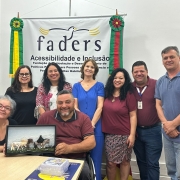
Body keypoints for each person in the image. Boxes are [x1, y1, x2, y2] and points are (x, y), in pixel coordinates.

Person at [37, 90, 96, 180]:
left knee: (84, 174)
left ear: (74, 102)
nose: (64, 106)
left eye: (67, 102)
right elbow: (34, 137)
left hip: (76, 159)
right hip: (49, 158)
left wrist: (69, 148)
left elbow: (91, 143)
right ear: (56, 103)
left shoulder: (84, 118)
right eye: (60, 103)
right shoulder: (45, 117)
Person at [102, 68, 137, 180]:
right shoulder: (107, 92)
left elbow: (133, 116)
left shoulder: (129, 94)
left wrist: (132, 135)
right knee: (111, 163)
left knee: (125, 162)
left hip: (125, 135)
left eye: (121, 78)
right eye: (115, 78)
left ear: (125, 80)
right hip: (109, 135)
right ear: (112, 79)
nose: (117, 80)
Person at [72, 59, 104, 180]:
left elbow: (100, 106)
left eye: (92, 67)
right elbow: (75, 106)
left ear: (95, 70)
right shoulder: (76, 86)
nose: (89, 68)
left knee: (96, 159)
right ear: (83, 68)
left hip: (96, 126)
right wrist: (85, 124)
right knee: (79, 158)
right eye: (87, 66)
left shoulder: (99, 85)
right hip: (79, 126)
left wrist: (92, 124)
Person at [132, 61, 162, 180]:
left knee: (152, 164)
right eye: (136, 72)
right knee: (141, 163)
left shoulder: (156, 84)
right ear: (132, 73)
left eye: (141, 71)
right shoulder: (129, 87)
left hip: (153, 131)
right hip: (136, 132)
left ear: (147, 71)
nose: (139, 73)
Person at [155, 46, 180, 180]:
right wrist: (166, 125)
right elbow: (158, 105)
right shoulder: (160, 81)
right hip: (168, 134)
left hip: (177, 132)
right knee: (172, 171)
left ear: (179, 58)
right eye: (165, 58)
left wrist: (173, 125)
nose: (168, 60)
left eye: (172, 57)